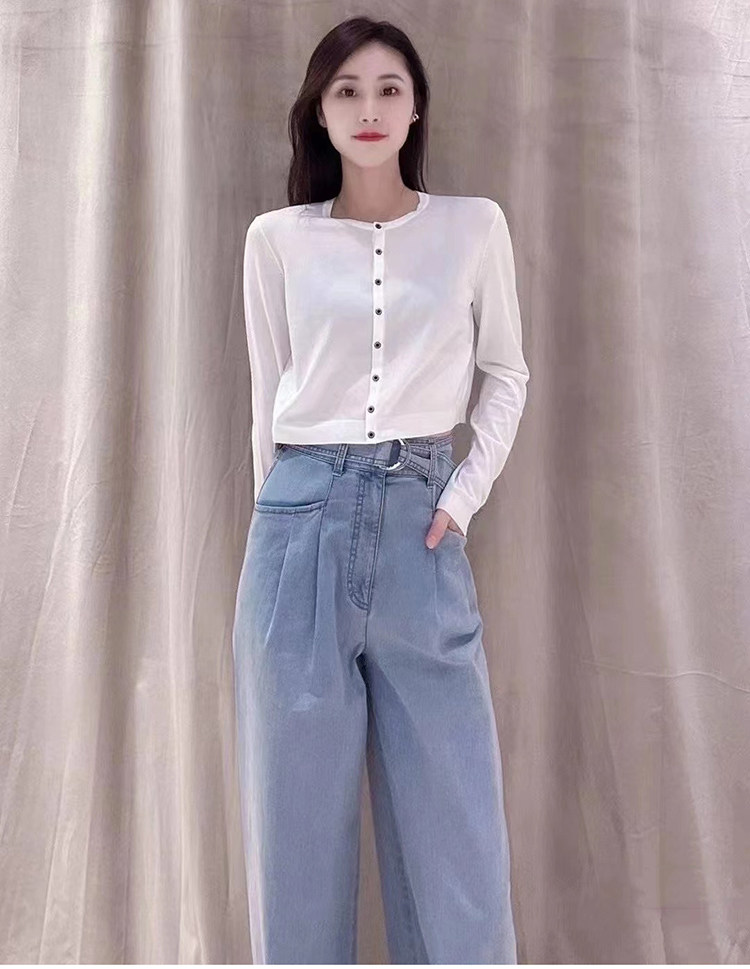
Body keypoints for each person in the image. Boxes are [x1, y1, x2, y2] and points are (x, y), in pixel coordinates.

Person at [232, 14, 529, 965]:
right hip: (299, 526)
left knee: (458, 831)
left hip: (421, 525)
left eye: (389, 89)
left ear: (415, 110)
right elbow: (266, 396)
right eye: (347, 90)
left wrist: (462, 496)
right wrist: (282, 524)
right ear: (319, 113)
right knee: (295, 829)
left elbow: (507, 374)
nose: (369, 107)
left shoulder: (473, 227)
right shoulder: (277, 240)